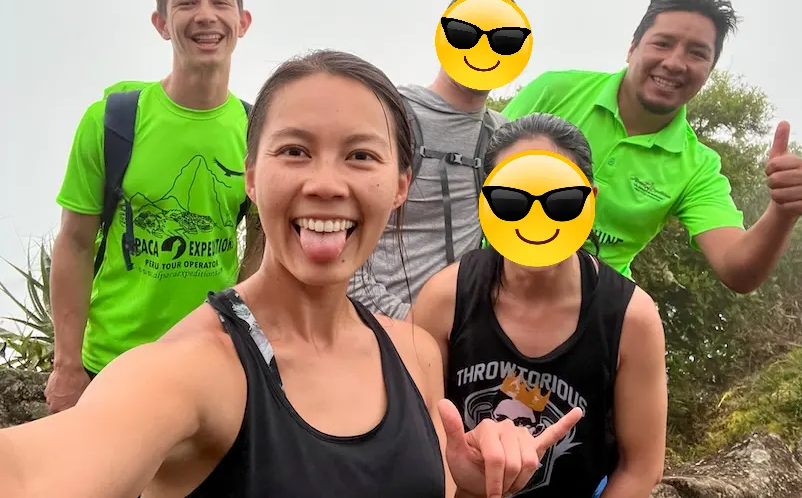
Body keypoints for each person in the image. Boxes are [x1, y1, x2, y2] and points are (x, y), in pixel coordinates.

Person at [0, 50, 583, 498]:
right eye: (295, 151)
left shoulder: (415, 353)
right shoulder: (193, 371)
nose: (326, 183)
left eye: (361, 155)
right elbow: (34, 471)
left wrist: (473, 486)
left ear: (401, 185)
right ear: (251, 178)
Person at [44, 0, 263, 414]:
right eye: (186, 3)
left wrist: (243, 332)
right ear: (162, 23)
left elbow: (263, 240)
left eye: (220, 2)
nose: (205, 15)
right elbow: (76, 244)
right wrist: (66, 367)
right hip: (112, 364)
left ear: (242, 22)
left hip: (211, 363)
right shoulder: (111, 122)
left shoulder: (257, 130)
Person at [412, 113, 668, 497]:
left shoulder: (630, 318)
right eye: (511, 201)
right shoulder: (446, 298)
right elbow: (418, 436)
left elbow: (640, 466)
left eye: (561, 201)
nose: (536, 218)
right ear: (486, 203)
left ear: (589, 202)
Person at [502, 0, 802, 293]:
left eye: (697, 53)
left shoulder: (697, 167)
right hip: (494, 279)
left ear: (709, 71)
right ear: (632, 48)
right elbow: (477, 168)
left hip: (591, 314)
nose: (676, 63)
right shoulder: (554, 91)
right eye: (663, 43)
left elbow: (738, 270)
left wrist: (782, 213)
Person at [347, 0, 509, 320]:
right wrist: (413, 324)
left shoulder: (502, 136)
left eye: (501, 39)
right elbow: (345, 234)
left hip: (456, 331)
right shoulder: (389, 115)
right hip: (371, 325)